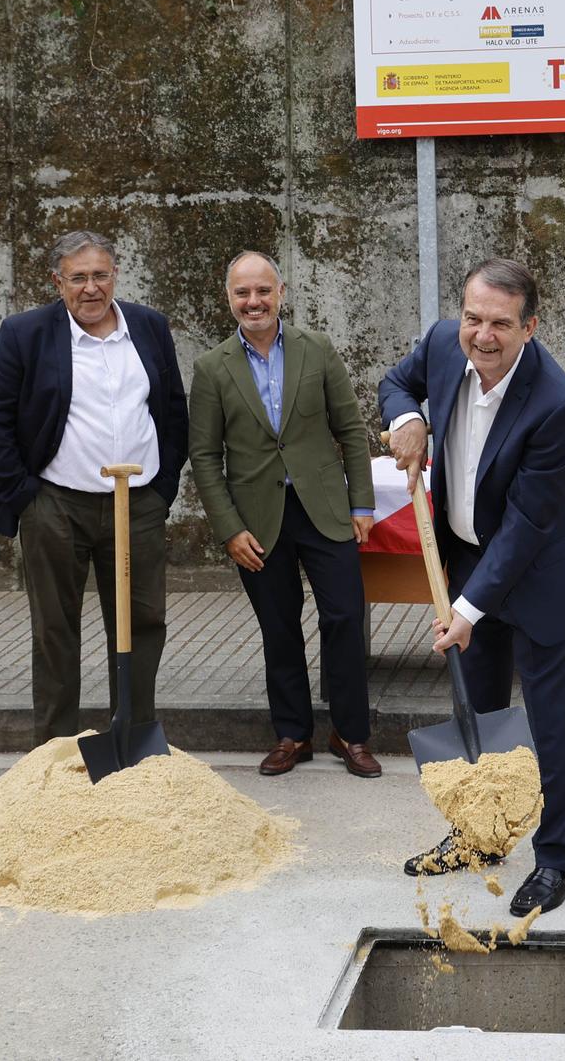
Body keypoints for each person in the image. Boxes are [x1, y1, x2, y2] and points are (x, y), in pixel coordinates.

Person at [382, 259, 565, 918]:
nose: (482, 335)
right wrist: (404, 420)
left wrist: (467, 608)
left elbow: (528, 527)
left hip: (540, 577)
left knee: (550, 724)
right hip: (469, 559)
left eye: (501, 323)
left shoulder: (556, 405)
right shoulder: (444, 343)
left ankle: (560, 856)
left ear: (529, 327)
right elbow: (397, 382)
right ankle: (480, 837)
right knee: (475, 713)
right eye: (474, 318)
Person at [0, 230, 188, 745]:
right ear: (58, 281)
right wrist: (27, 496)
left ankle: (134, 745)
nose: (90, 288)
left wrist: (162, 489)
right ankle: (53, 752)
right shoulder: (26, 333)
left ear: (115, 276)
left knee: (141, 625)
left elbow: (173, 411)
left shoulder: (148, 327)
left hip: (137, 504)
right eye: (78, 278)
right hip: (55, 505)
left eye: (100, 275)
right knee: (55, 632)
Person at [188, 251, 380, 779]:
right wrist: (229, 529)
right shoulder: (212, 367)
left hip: (324, 510)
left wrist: (361, 502)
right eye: (242, 293)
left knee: (343, 616)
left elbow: (351, 430)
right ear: (229, 299)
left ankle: (350, 734)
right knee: (279, 625)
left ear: (282, 292)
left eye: (263, 291)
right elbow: (204, 457)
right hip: (256, 521)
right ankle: (292, 734)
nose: (254, 302)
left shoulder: (316, 349)